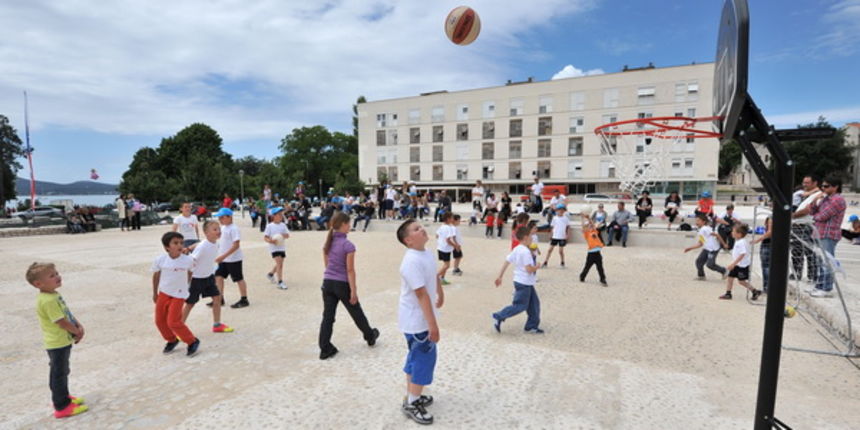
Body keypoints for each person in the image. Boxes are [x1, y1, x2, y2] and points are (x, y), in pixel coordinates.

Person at [395, 219, 444, 425]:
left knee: (415, 358)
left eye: (421, 226)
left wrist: (440, 293)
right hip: (417, 321)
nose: (422, 229)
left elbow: (434, 275)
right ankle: (413, 402)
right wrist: (433, 326)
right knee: (424, 360)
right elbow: (421, 294)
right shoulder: (411, 262)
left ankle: (412, 395)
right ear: (408, 240)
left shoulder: (426, 253)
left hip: (422, 318)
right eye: (416, 229)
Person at [27, 262, 90, 419]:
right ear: (38, 284)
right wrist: (76, 331)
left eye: (56, 273)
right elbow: (61, 321)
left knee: (62, 371)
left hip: (62, 340)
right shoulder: (47, 300)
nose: (58, 276)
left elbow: (66, 313)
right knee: (59, 373)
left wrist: (77, 324)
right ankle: (61, 406)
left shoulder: (53, 295)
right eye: (52, 276)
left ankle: (63, 397)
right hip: (57, 343)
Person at [318, 212, 380, 360]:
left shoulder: (328, 243)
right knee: (356, 312)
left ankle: (325, 348)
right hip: (342, 284)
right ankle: (370, 336)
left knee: (328, 317)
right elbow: (350, 270)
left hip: (327, 283)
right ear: (343, 224)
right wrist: (353, 291)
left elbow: (327, 265)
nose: (350, 226)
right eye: (349, 224)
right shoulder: (348, 245)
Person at [151, 232, 201, 356]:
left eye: (181, 243)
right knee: (159, 321)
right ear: (166, 247)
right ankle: (171, 340)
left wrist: (186, 286)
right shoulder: (160, 260)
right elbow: (156, 276)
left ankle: (192, 341)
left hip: (179, 295)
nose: (179, 245)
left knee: (173, 322)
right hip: (164, 293)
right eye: (175, 243)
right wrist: (155, 293)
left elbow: (191, 273)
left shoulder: (188, 260)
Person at [183, 220, 233, 333]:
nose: (218, 231)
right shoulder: (203, 246)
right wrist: (187, 280)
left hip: (209, 277)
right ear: (206, 232)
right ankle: (179, 327)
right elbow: (191, 261)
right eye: (215, 229)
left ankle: (217, 325)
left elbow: (200, 243)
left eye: (219, 229)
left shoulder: (215, 243)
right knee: (190, 304)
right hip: (197, 279)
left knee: (217, 298)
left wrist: (189, 247)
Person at [492, 226, 543, 334]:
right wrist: (537, 266)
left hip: (523, 282)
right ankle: (499, 316)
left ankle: (531, 326)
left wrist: (500, 276)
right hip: (524, 282)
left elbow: (507, 261)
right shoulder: (525, 252)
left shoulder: (517, 248)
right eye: (530, 236)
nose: (532, 238)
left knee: (534, 304)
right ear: (525, 237)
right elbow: (529, 269)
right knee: (520, 305)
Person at [809, 176, 847, 297]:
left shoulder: (837, 200)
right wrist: (815, 200)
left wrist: (812, 218)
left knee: (827, 262)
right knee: (820, 261)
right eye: (822, 186)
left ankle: (826, 288)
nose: (823, 188)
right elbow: (812, 211)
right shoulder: (825, 199)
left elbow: (822, 216)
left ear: (835, 187)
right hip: (819, 233)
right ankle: (820, 285)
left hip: (828, 234)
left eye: (826, 186)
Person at [213, 208, 250, 308]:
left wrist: (223, 256)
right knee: (218, 277)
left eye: (222, 217)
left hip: (234, 259)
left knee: (238, 279)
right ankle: (220, 298)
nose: (220, 220)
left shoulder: (234, 229)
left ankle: (244, 299)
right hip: (223, 259)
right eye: (219, 218)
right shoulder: (223, 228)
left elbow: (236, 245)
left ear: (229, 217)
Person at [790, 175, 822, 282]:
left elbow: (808, 209)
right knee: (796, 251)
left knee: (810, 251)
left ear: (815, 183)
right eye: (804, 182)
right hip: (797, 225)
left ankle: (812, 275)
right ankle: (796, 273)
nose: (804, 185)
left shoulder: (817, 195)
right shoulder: (804, 194)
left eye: (807, 183)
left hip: (806, 225)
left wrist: (793, 215)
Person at [719, 224, 763, 301]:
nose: (732, 233)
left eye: (733, 231)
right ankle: (728, 293)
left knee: (741, 281)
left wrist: (733, 264)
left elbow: (743, 254)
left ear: (739, 234)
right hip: (737, 265)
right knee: (730, 278)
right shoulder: (739, 241)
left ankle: (755, 291)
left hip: (742, 266)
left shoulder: (742, 242)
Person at [684, 214, 728, 281]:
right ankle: (701, 276)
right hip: (706, 249)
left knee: (710, 264)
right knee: (699, 261)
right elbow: (700, 244)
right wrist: (690, 248)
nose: (696, 222)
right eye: (696, 220)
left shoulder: (705, 228)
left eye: (698, 220)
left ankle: (724, 270)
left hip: (713, 249)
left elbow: (717, 235)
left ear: (704, 222)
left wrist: (724, 244)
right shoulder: (701, 230)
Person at [264, 207, 290, 290]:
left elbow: (287, 235)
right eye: (279, 214)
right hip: (274, 248)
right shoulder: (269, 226)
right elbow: (265, 237)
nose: (281, 216)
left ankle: (270, 274)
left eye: (281, 214)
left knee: (280, 263)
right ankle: (280, 282)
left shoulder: (283, 225)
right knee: (279, 264)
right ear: (274, 216)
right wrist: (271, 241)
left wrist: (282, 236)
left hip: (281, 247)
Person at [579, 213, 608, 286]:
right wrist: (582, 218)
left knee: (600, 267)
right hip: (591, 253)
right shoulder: (587, 234)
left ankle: (603, 279)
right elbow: (583, 228)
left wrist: (589, 218)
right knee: (587, 267)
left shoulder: (594, 231)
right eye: (589, 226)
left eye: (591, 226)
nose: (590, 226)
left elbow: (593, 225)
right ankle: (582, 276)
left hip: (597, 253)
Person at [752, 215, 772, 293]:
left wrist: (758, 240)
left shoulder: (771, 218)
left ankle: (767, 287)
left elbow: (770, 232)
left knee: (766, 267)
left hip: (767, 244)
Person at [436, 212, 456, 285]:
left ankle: (442, 278)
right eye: (452, 218)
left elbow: (437, 235)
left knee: (445, 265)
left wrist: (441, 241)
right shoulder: (448, 228)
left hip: (440, 247)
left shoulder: (442, 226)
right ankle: (435, 277)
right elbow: (448, 240)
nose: (453, 219)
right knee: (447, 265)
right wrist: (455, 245)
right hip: (445, 249)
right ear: (448, 219)